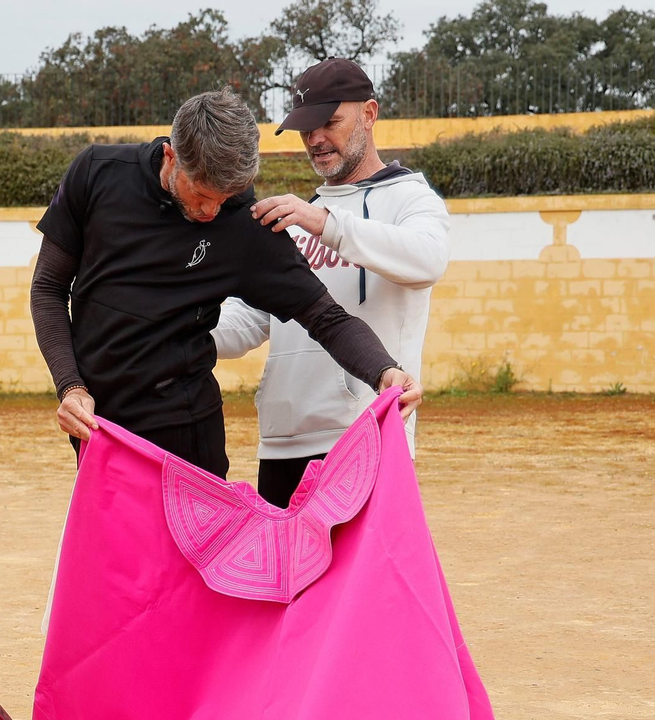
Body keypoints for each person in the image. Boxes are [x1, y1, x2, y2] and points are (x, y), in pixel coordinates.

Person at [29, 88, 422, 479]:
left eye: (226, 197)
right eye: (202, 195)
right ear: (171, 156)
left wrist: (384, 371)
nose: (211, 210)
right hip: (99, 427)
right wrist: (70, 387)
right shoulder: (97, 172)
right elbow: (48, 287)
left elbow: (324, 315)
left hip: (187, 431)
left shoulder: (243, 225)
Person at [215, 59, 451, 507]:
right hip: (282, 442)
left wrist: (327, 224)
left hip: (366, 437)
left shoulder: (410, 198)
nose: (316, 139)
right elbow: (252, 319)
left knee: (360, 581)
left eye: (330, 122)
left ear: (369, 114)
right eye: (306, 128)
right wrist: (179, 327)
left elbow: (428, 260)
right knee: (288, 580)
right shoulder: (300, 216)